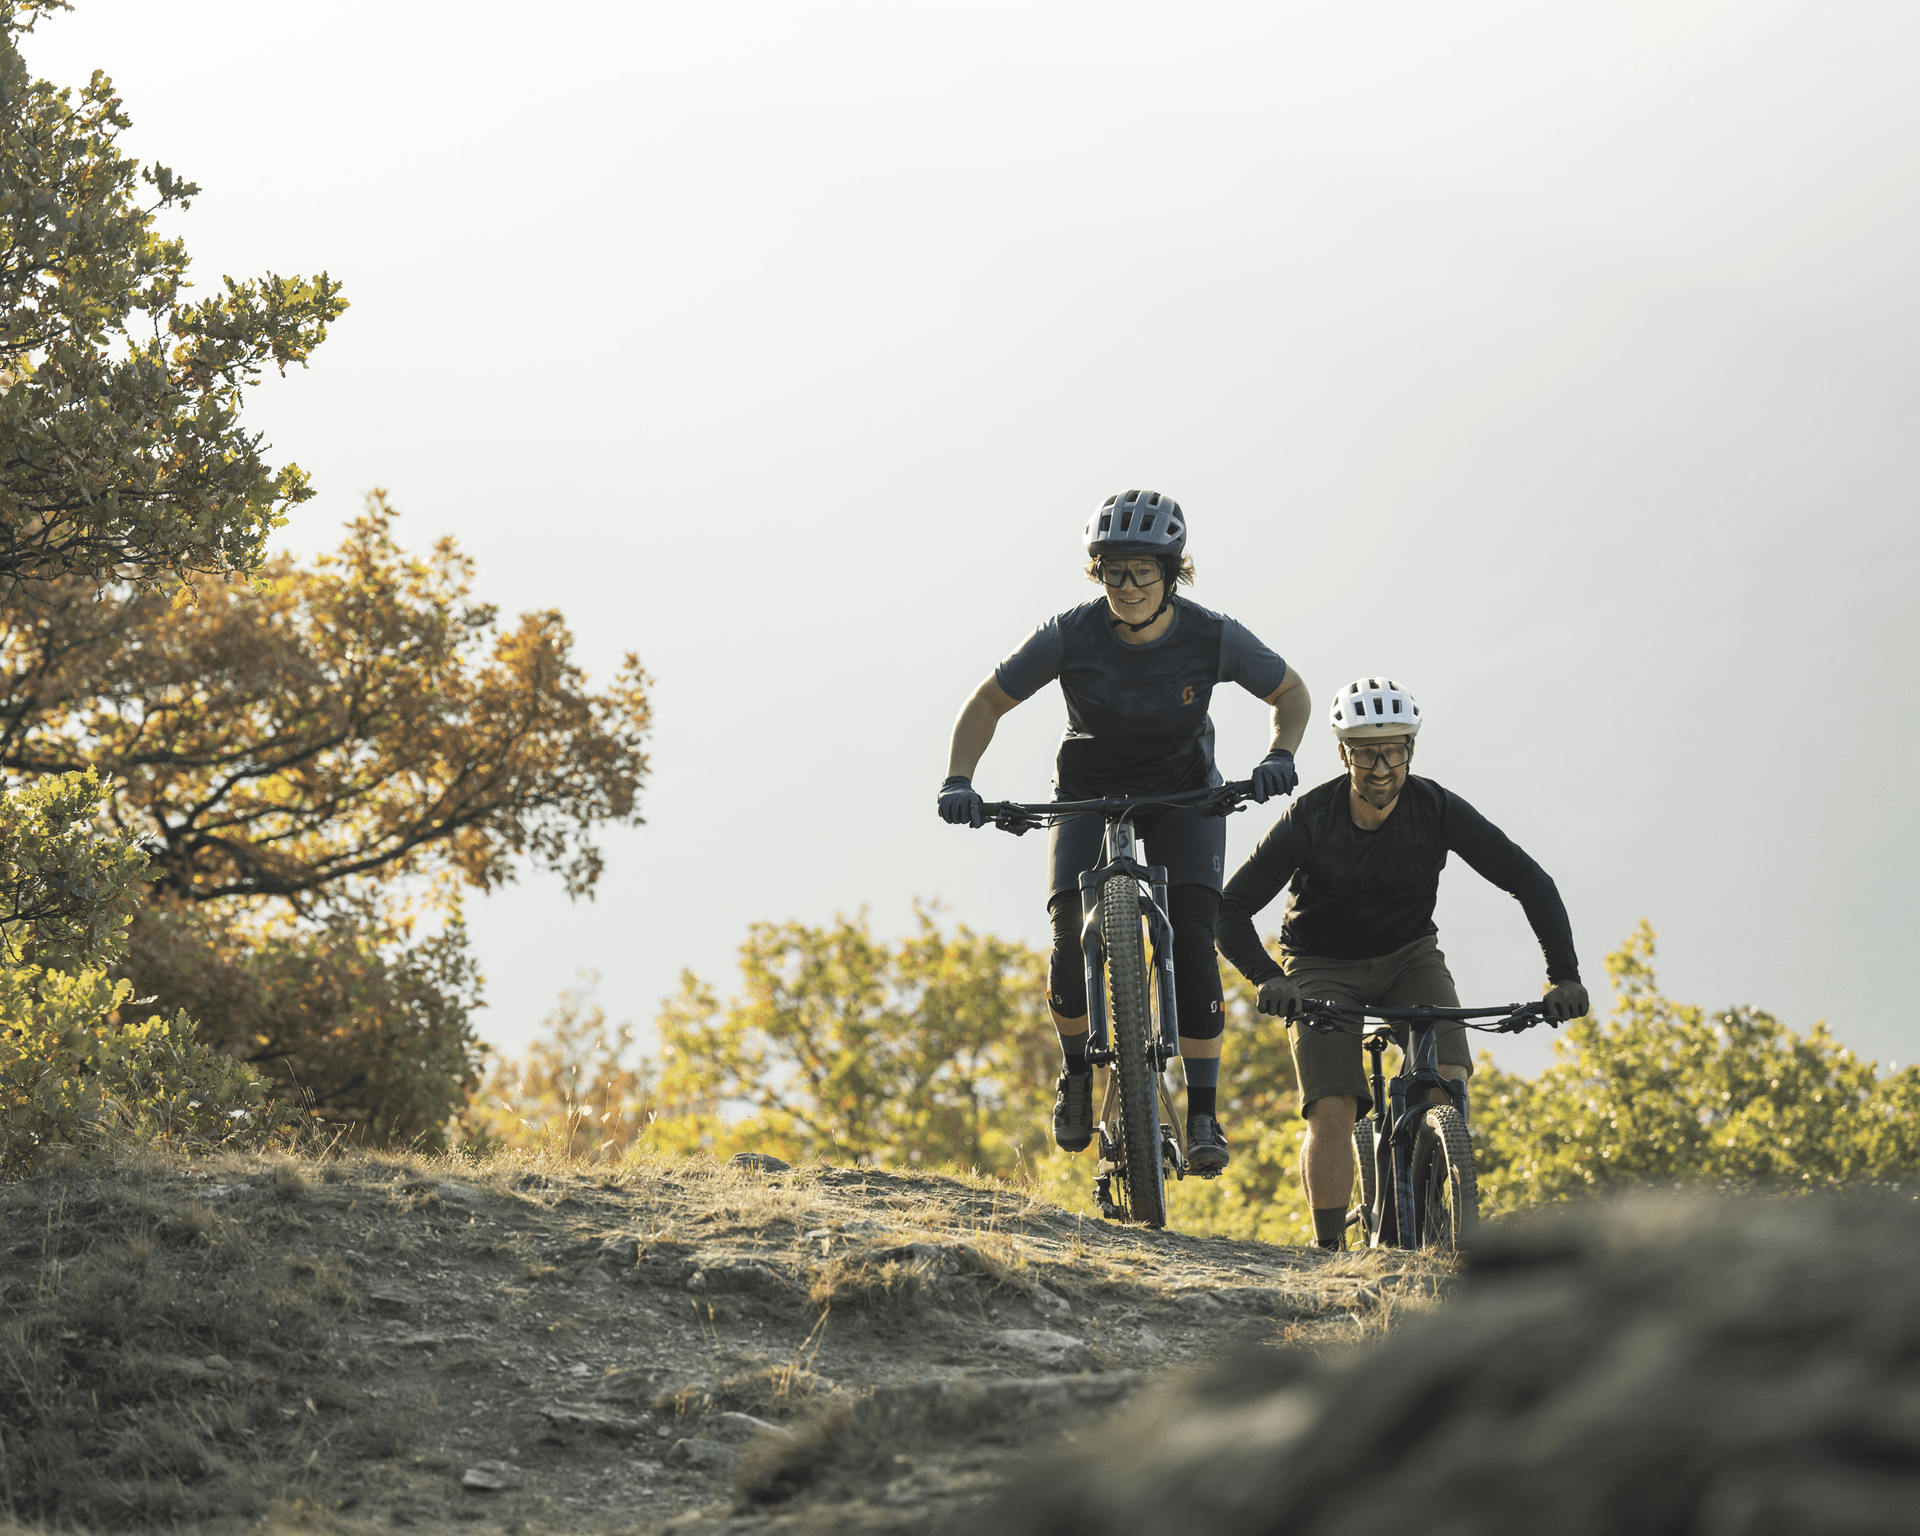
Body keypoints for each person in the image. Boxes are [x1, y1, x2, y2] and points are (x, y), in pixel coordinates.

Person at [938, 490, 1310, 1175]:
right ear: (1097, 572)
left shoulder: (1212, 636)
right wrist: (959, 779)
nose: (1128, 586)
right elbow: (988, 701)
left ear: (1172, 573)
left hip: (1185, 794)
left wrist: (1278, 755)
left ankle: (1203, 1115)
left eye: (1143, 571)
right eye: (1114, 571)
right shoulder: (1069, 634)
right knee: (1066, 936)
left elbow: (1290, 693)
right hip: (1088, 792)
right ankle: (1077, 1073)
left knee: (1194, 937)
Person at [1213, 677, 1587, 1247]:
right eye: (1366, 753)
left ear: (1412, 749)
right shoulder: (1310, 818)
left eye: (1394, 750)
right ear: (1344, 755)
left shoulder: (1436, 809)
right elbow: (1231, 907)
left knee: (1448, 1081)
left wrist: (1564, 976)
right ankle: (1329, 1251)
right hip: (1319, 963)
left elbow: (1528, 879)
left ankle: (1431, 1219)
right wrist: (1267, 977)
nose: (1382, 767)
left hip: (1409, 957)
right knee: (1333, 1106)